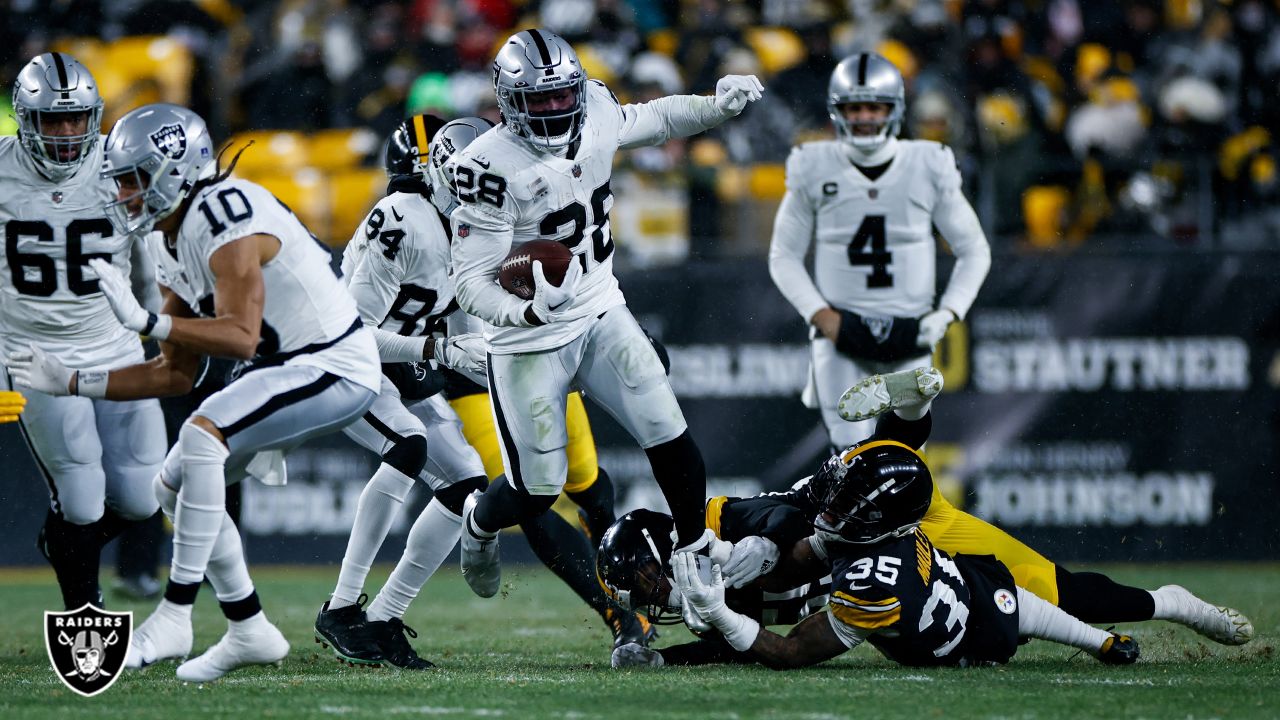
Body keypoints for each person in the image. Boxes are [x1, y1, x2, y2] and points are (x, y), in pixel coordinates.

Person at [9, 103, 383, 682]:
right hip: (283, 368)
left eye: (132, 179)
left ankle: (176, 614)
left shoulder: (222, 211)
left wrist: (147, 322)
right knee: (169, 484)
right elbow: (175, 374)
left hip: (334, 363)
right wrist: (74, 382)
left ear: (173, 172)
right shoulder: (164, 237)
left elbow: (239, 335)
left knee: (201, 436)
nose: (121, 194)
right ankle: (248, 626)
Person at [605, 367, 1253, 666]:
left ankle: (1170, 603)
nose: (656, 597)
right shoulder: (702, 589)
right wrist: (673, 657)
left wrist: (762, 552)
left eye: (651, 582)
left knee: (1059, 591)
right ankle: (908, 406)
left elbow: (774, 514)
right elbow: (740, 644)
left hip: (870, 513)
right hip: (862, 548)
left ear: (673, 552)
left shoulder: (711, 524)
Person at [448, 27, 764, 598]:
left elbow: (659, 119)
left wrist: (716, 108)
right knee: (538, 489)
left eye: (560, 96)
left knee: (664, 423)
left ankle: (693, 552)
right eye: (538, 99)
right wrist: (525, 314)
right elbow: (469, 282)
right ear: (507, 101)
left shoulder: (594, 105)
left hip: (597, 306)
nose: (553, 109)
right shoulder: (485, 167)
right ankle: (478, 522)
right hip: (526, 339)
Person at [668, 439, 1141, 669]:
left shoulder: (875, 581)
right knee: (1009, 599)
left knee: (1010, 614)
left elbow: (791, 651)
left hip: (969, 644)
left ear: (884, 519)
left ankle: (1098, 638)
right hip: (970, 583)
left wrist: (721, 614)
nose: (833, 506)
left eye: (851, 503)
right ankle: (1098, 639)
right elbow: (804, 561)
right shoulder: (871, 531)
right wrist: (748, 569)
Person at [0, 52, 167, 611]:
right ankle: (83, 613)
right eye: (54, 119)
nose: (68, 132)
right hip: (34, 353)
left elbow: (148, 261)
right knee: (81, 495)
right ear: (25, 118)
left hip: (117, 348)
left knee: (145, 497)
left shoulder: (120, 166)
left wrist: (160, 330)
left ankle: (65, 545)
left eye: (77, 118)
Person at [768, 52, 992, 449]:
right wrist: (821, 315)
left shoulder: (927, 162)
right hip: (841, 336)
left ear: (895, 109)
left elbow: (974, 250)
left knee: (901, 466)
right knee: (853, 460)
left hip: (911, 334)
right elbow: (783, 256)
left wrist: (947, 313)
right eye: (854, 107)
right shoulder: (814, 164)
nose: (865, 117)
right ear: (838, 111)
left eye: (875, 106)